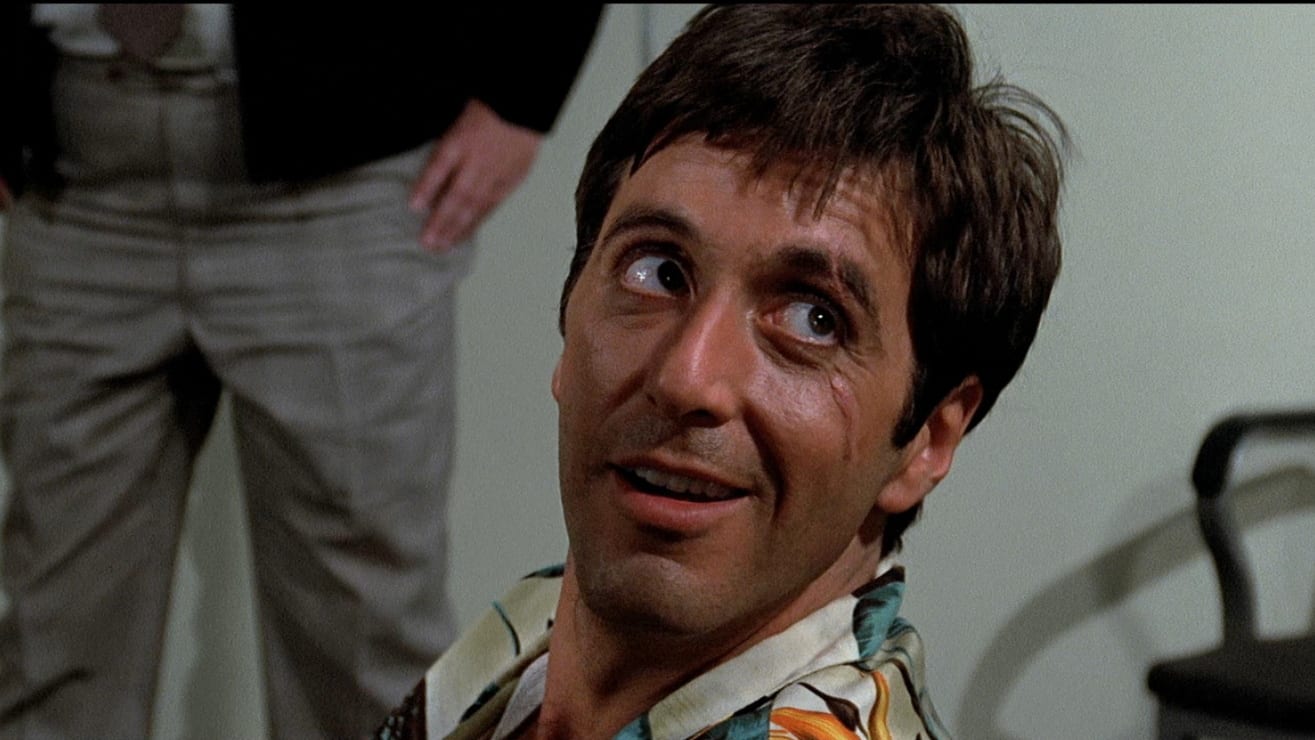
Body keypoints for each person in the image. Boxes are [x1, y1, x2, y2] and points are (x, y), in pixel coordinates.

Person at [375, 4, 1068, 739]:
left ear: (929, 437)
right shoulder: (537, 623)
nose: (686, 376)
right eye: (658, 272)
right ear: (568, 315)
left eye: (814, 319)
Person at [0, 5, 602, 739]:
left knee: (361, 649)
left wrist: (525, 89)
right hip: (72, 166)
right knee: (54, 641)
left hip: (342, 164)